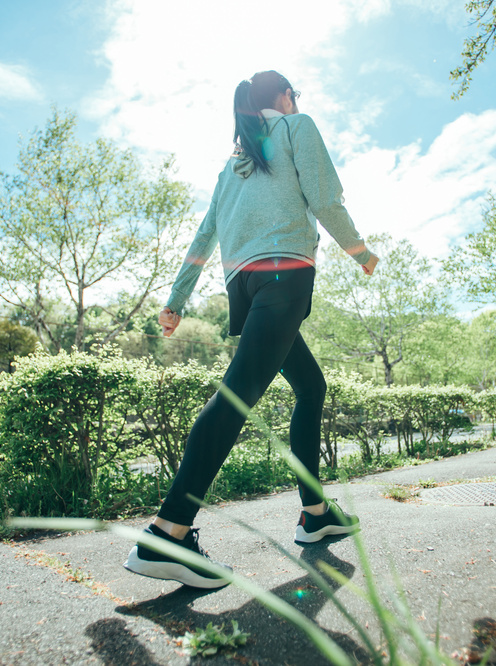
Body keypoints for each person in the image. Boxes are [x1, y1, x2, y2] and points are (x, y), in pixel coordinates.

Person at [124, 70, 380, 589]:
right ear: (284, 97)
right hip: (284, 277)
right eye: (294, 96)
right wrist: (361, 252)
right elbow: (325, 196)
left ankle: (315, 513)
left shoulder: (234, 165)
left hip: (245, 286)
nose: (296, 102)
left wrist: (175, 300)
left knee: (311, 386)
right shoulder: (295, 126)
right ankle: (167, 531)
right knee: (237, 395)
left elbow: (204, 235)